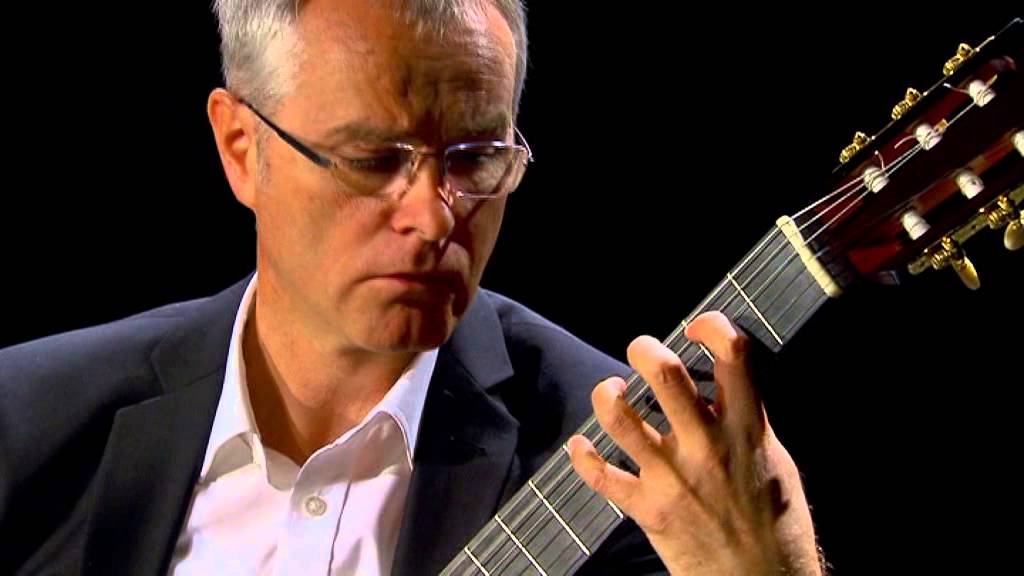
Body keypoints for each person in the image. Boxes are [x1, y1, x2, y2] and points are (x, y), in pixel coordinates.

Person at [0, 1, 824, 574]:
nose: (435, 218)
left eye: (477, 159)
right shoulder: (26, 419)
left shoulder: (635, 473)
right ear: (242, 148)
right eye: (373, 160)